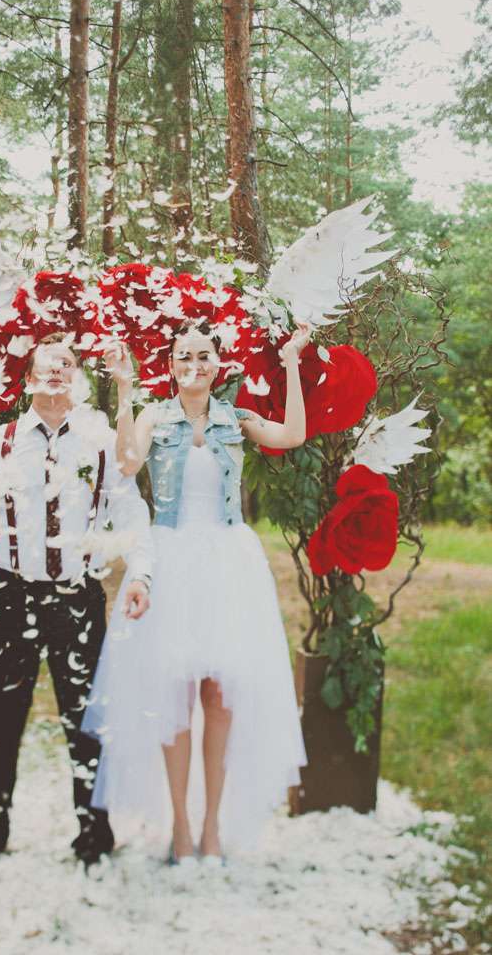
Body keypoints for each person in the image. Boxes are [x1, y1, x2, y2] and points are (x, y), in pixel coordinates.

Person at [83, 319, 311, 865]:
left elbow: (292, 436)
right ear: (170, 365)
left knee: (219, 698)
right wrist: (123, 389)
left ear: (218, 364)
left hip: (228, 563)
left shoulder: (237, 418)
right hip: (171, 559)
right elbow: (127, 463)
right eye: (184, 355)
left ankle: (212, 829)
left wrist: (291, 364)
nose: (194, 364)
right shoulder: (153, 416)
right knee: (175, 697)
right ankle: (181, 831)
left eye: (204, 355)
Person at [0, 335, 153, 867]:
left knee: (86, 722)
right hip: (11, 595)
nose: (57, 371)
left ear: (78, 379)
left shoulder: (100, 443)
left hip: (77, 599)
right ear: (29, 379)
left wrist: (141, 574)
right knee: (2, 718)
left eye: (67, 364)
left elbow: (130, 511)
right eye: (46, 365)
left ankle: (94, 836)